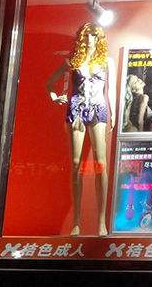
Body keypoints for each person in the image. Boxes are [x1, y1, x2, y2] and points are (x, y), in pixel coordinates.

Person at [46, 23, 114, 236]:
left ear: (99, 38)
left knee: (101, 163)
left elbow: (109, 91)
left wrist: (113, 114)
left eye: (94, 36)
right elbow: (50, 83)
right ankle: (76, 221)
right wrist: (55, 97)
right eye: (87, 36)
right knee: (76, 163)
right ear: (81, 38)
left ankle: (101, 221)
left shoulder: (106, 61)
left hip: (98, 109)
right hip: (76, 109)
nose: (90, 40)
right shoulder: (72, 61)